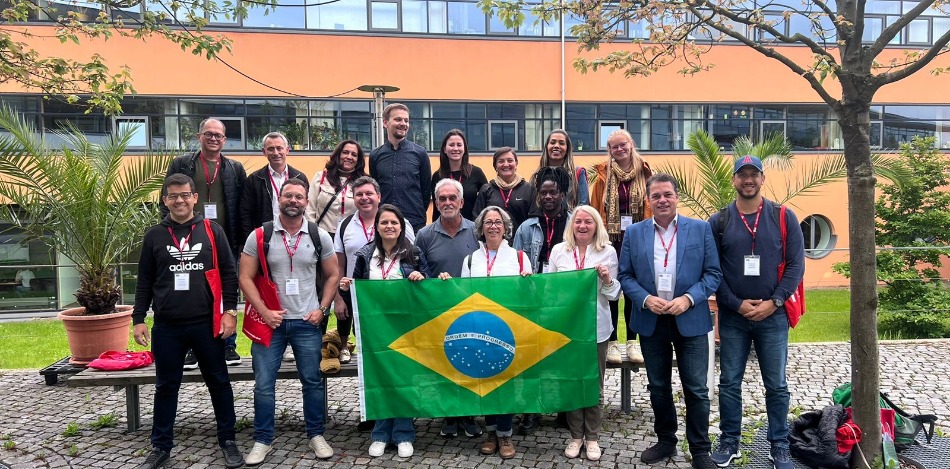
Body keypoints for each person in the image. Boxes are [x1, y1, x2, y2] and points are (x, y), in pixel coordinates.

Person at [131, 173, 243, 469]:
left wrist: (230, 311)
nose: (179, 200)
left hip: (206, 324)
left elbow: (230, 274)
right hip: (167, 326)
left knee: (219, 382)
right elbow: (144, 280)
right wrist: (138, 318)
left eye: (184, 195)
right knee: (166, 386)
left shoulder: (212, 230)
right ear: (165, 200)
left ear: (195, 197)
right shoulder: (155, 235)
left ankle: (228, 440)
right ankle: (160, 446)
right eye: (172, 196)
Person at [617, 173, 722, 469]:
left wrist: (688, 298)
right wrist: (645, 299)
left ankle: (701, 449)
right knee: (658, 385)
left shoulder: (700, 230)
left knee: (697, 388)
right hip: (651, 320)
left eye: (667, 195)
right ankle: (666, 440)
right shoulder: (635, 233)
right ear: (648, 201)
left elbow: (713, 274)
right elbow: (625, 275)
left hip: (689, 318)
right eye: (656, 196)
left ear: (677, 197)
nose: (662, 200)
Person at [708, 156, 805, 469]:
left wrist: (774, 302)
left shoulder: (783, 216)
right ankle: (730, 440)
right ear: (734, 181)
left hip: (772, 315)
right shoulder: (719, 220)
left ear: (762, 179)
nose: (747, 180)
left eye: (753, 174)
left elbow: (795, 265)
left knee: (776, 384)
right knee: (729, 382)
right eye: (742, 175)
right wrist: (735, 303)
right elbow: (712, 269)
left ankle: (779, 445)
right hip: (734, 316)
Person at [239, 178, 341, 465]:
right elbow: (245, 277)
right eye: (288, 196)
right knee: (263, 384)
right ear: (279, 200)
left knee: (311, 381)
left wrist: (323, 308)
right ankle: (262, 440)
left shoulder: (319, 235)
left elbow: (333, 275)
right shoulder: (261, 235)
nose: (293, 201)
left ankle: (316, 435)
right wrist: (264, 311)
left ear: (306, 202)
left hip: (307, 322)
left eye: (299, 197)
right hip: (270, 323)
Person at [440, 206, 531, 460]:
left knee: (506, 383)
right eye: (488, 222)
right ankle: (491, 432)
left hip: (509, 329)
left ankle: (505, 434)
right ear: (480, 228)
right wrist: (449, 282)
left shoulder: (520, 258)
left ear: (505, 227)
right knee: (487, 383)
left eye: (498, 222)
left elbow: (529, 298)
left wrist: (528, 280)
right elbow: (464, 297)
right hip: (480, 328)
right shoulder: (471, 259)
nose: (493, 226)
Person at [339, 204, 428, 459]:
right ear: (377, 227)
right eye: (384, 222)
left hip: (406, 328)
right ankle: (380, 432)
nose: (389, 226)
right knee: (379, 379)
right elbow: (355, 290)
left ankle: (404, 433)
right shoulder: (366, 254)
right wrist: (346, 286)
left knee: (403, 380)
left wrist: (419, 278)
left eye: (394, 223)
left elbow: (429, 286)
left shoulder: (414, 253)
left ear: (401, 228)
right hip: (374, 328)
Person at [162, 117, 247, 368]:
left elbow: (240, 207)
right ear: (199, 136)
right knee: (192, 291)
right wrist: (170, 232)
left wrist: (241, 242)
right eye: (208, 134)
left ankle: (228, 345)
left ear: (224, 140)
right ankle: (192, 348)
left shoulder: (234, 168)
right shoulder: (183, 164)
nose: (213, 138)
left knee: (227, 290)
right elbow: (166, 198)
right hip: (189, 237)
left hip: (224, 239)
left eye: (218, 135)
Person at [547, 205, 620, 461]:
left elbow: (613, 294)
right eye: (578, 221)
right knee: (572, 383)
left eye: (588, 222)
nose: (582, 226)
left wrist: (607, 279)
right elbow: (549, 290)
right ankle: (575, 436)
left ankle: (592, 438)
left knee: (594, 384)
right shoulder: (559, 251)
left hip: (596, 329)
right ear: (572, 225)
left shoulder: (607, 252)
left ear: (596, 225)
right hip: (567, 329)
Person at [413, 178, 481, 438]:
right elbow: (417, 268)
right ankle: (449, 415)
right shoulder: (425, 234)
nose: (447, 202)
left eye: (452, 198)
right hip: (439, 313)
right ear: (436, 202)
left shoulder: (477, 231)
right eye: (442, 199)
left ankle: (469, 414)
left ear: (462, 202)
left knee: (470, 365)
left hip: (472, 310)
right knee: (446, 365)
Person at [511, 166, 572, 435]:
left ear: (562, 195)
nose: (548, 197)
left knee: (563, 354)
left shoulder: (574, 224)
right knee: (531, 358)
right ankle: (531, 411)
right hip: (533, 301)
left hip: (565, 301)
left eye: (553, 192)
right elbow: (515, 263)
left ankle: (564, 409)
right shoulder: (526, 227)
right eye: (543, 193)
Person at [333, 176, 415, 365]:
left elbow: (412, 256)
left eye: (369, 193)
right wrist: (338, 297)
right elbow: (338, 264)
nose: (364, 198)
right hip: (358, 290)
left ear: (378, 196)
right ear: (353, 198)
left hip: (395, 293)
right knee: (363, 337)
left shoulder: (398, 222)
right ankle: (345, 347)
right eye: (359, 194)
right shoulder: (344, 225)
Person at [589, 129, 653, 365]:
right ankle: (614, 341)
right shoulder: (603, 178)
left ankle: (633, 341)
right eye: (614, 147)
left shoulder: (646, 173)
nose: (619, 149)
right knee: (612, 289)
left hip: (638, 240)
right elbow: (595, 210)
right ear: (610, 151)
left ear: (631, 144)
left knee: (634, 289)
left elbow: (653, 206)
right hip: (611, 241)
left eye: (622, 144)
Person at [369, 103, 431, 233]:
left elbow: (426, 190)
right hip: (386, 223)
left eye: (406, 120)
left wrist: (416, 211)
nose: (403, 123)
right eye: (398, 119)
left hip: (414, 223)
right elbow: (376, 190)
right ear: (385, 123)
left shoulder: (420, 153)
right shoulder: (375, 156)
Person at [240, 131, 309, 244]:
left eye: (279, 148)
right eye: (271, 149)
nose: (276, 153)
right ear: (264, 152)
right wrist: (251, 240)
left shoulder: (300, 177)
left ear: (287, 150)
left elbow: (306, 209)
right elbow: (245, 213)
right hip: (265, 237)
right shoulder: (254, 179)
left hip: (294, 237)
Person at [306, 139, 366, 238]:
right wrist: (313, 234)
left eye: (354, 155)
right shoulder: (321, 177)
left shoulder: (363, 182)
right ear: (338, 155)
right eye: (345, 152)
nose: (349, 157)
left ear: (358, 160)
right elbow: (310, 209)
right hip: (322, 236)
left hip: (350, 237)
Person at [473, 147, 534, 232]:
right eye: (501, 161)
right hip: (493, 242)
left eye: (510, 160)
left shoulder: (528, 189)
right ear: (495, 166)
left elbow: (532, 221)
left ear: (516, 164)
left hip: (521, 242)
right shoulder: (486, 189)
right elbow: (477, 219)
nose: (506, 164)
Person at [431, 129, 487, 222]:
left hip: (472, 229)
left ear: (464, 148)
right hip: (446, 229)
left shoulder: (476, 173)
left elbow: (486, 203)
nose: (456, 148)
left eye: (459, 145)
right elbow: (436, 209)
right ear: (445, 149)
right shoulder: (437, 176)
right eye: (451, 145)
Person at [532, 129, 588, 209]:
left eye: (561, 143)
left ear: (567, 149)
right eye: (552, 142)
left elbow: (584, 207)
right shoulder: (536, 176)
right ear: (547, 147)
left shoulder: (577, 174)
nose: (556, 146)